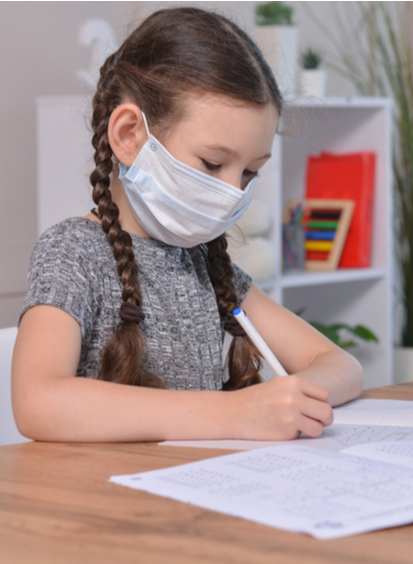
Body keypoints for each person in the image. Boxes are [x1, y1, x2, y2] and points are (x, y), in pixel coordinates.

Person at [11, 7, 363, 443]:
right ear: (129, 135)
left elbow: (340, 364)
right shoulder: (74, 252)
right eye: (213, 164)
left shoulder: (210, 269)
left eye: (249, 173)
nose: (232, 192)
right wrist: (234, 413)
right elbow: (37, 401)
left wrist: (287, 401)